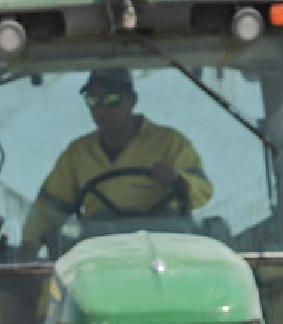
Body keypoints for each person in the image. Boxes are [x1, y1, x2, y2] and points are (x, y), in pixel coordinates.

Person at [20, 67, 214, 258]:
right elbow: (49, 209)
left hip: (166, 251)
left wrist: (178, 180)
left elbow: (202, 188)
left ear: (133, 100)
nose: (102, 110)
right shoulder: (77, 154)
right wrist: (28, 247)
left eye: (112, 100)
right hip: (99, 255)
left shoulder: (170, 143)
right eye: (92, 101)